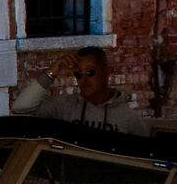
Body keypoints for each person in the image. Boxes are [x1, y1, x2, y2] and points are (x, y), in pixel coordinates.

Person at [9, 45, 150, 134]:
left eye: (90, 72)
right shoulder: (65, 107)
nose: (84, 80)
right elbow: (20, 108)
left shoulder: (129, 119)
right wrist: (52, 72)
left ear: (106, 72)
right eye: (78, 74)